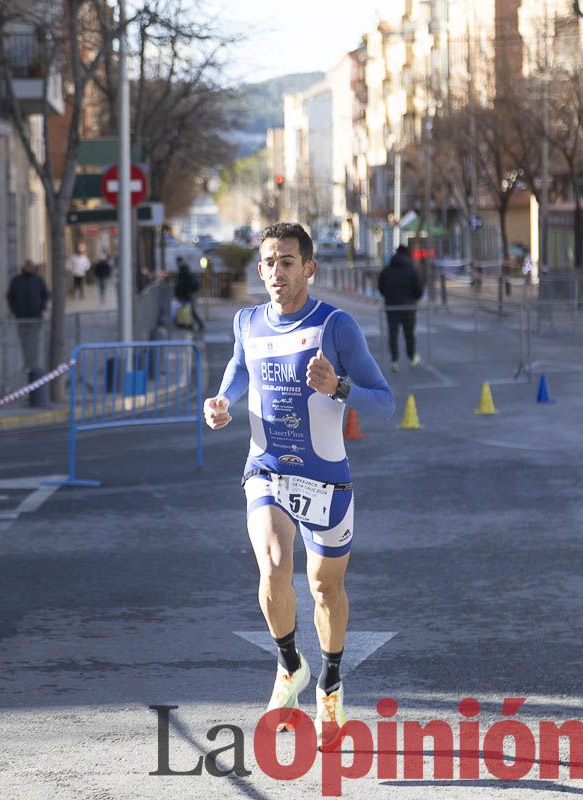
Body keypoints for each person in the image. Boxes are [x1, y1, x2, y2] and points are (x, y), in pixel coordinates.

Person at [203, 222, 394, 750]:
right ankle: (290, 665)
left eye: (288, 261)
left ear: (308, 268)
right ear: (259, 269)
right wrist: (220, 404)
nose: (277, 271)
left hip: (327, 476)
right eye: (269, 262)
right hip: (267, 468)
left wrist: (340, 386)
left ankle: (330, 681)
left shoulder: (336, 325)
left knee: (324, 587)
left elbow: (384, 401)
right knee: (272, 567)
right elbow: (239, 373)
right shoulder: (247, 322)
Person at [377, 244, 424, 371]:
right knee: (409, 333)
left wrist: (389, 297)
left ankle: (394, 361)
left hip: (392, 306)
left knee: (393, 333)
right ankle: (412, 357)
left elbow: (381, 287)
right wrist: (413, 299)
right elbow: (419, 289)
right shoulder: (412, 270)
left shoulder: (387, 270)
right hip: (409, 306)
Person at [6, 260, 50, 372]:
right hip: (21, 318)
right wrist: (14, 310)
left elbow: (46, 294)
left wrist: (42, 306)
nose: (28, 268)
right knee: (24, 341)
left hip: (35, 317)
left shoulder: (38, 280)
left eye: (30, 266)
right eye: (26, 266)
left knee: (34, 341)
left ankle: (33, 363)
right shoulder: (16, 280)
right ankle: (27, 363)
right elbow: (10, 296)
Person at [173, 256, 205, 333]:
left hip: (186, 294)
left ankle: (196, 325)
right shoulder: (185, 269)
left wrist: (179, 294)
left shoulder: (183, 271)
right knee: (188, 310)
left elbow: (182, 285)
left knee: (189, 310)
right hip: (187, 294)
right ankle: (193, 324)